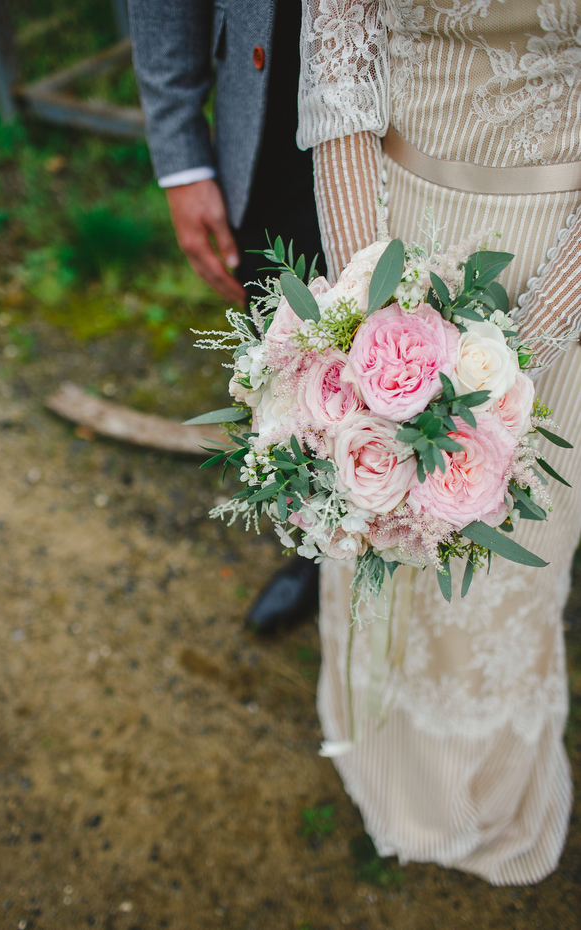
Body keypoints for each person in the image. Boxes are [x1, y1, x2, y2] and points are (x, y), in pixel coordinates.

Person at [297, 0, 581, 884]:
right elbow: (341, 79)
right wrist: (369, 319)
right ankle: (382, 761)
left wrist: (518, 361)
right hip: (392, 230)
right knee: (379, 519)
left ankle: (488, 791)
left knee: (512, 550)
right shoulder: (373, 282)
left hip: (558, 264)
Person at [128, 0, 323, 633]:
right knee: (293, 370)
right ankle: (318, 548)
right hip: (275, 111)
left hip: (440, 123)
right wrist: (181, 155)